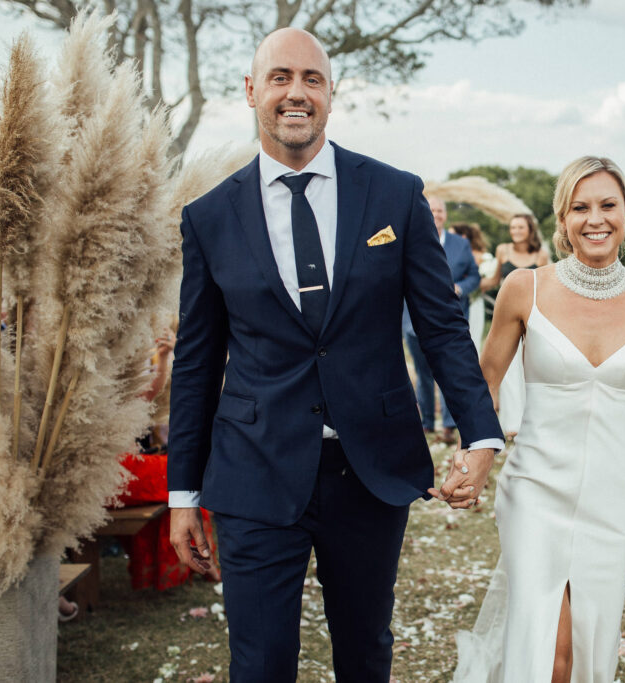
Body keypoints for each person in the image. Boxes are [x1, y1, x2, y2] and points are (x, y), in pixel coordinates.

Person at [166, 28, 503, 683]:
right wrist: (183, 493)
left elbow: (441, 327)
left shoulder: (395, 195)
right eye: (280, 78)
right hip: (255, 467)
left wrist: (480, 433)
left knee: (365, 652)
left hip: (370, 468)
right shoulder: (209, 217)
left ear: (330, 93)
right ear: (251, 91)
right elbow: (197, 363)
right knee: (260, 665)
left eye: (312, 79)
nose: (297, 93)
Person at [453, 156, 625, 682]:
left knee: (591, 643)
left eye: (608, 205)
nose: (596, 219)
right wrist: (474, 458)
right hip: (535, 491)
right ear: (562, 219)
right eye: (580, 208)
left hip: (611, 497)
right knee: (551, 647)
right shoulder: (525, 288)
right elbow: (485, 383)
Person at [402, 197, 481, 444]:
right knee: (423, 373)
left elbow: (474, 276)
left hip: (450, 320)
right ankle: (426, 422)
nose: (436, 214)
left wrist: (461, 288)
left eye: (440, 210)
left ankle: (449, 425)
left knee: (450, 371)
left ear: (445, 214)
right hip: (413, 320)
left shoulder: (461, 244)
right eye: (432, 209)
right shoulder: (409, 237)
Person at [479, 213, 549, 436]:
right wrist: (474, 285)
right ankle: (511, 425)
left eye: (520, 227)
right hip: (506, 316)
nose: (515, 231)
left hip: (531, 317)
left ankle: (531, 421)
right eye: (512, 227)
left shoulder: (541, 254)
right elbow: (495, 280)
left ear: (530, 230)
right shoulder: (503, 250)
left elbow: (545, 288)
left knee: (529, 369)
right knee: (508, 370)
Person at [450, 222, 492, 353]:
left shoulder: (480, 256)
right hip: (455, 302)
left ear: (462, 237)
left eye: (452, 235)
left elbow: (487, 280)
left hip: (474, 302)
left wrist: (475, 287)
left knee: (473, 336)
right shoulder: (452, 255)